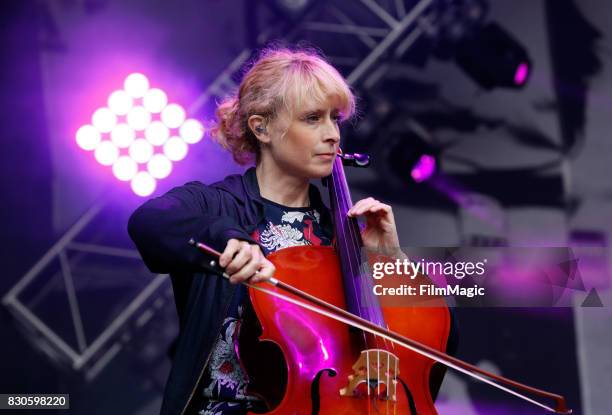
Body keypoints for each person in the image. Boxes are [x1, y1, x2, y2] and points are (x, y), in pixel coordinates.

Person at [128, 47, 415, 415]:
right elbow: (149, 221)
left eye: (334, 118)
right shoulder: (216, 205)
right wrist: (228, 239)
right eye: (312, 118)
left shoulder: (339, 235)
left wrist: (392, 263)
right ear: (262, 127)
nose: (332, 135)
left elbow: (434, 347)